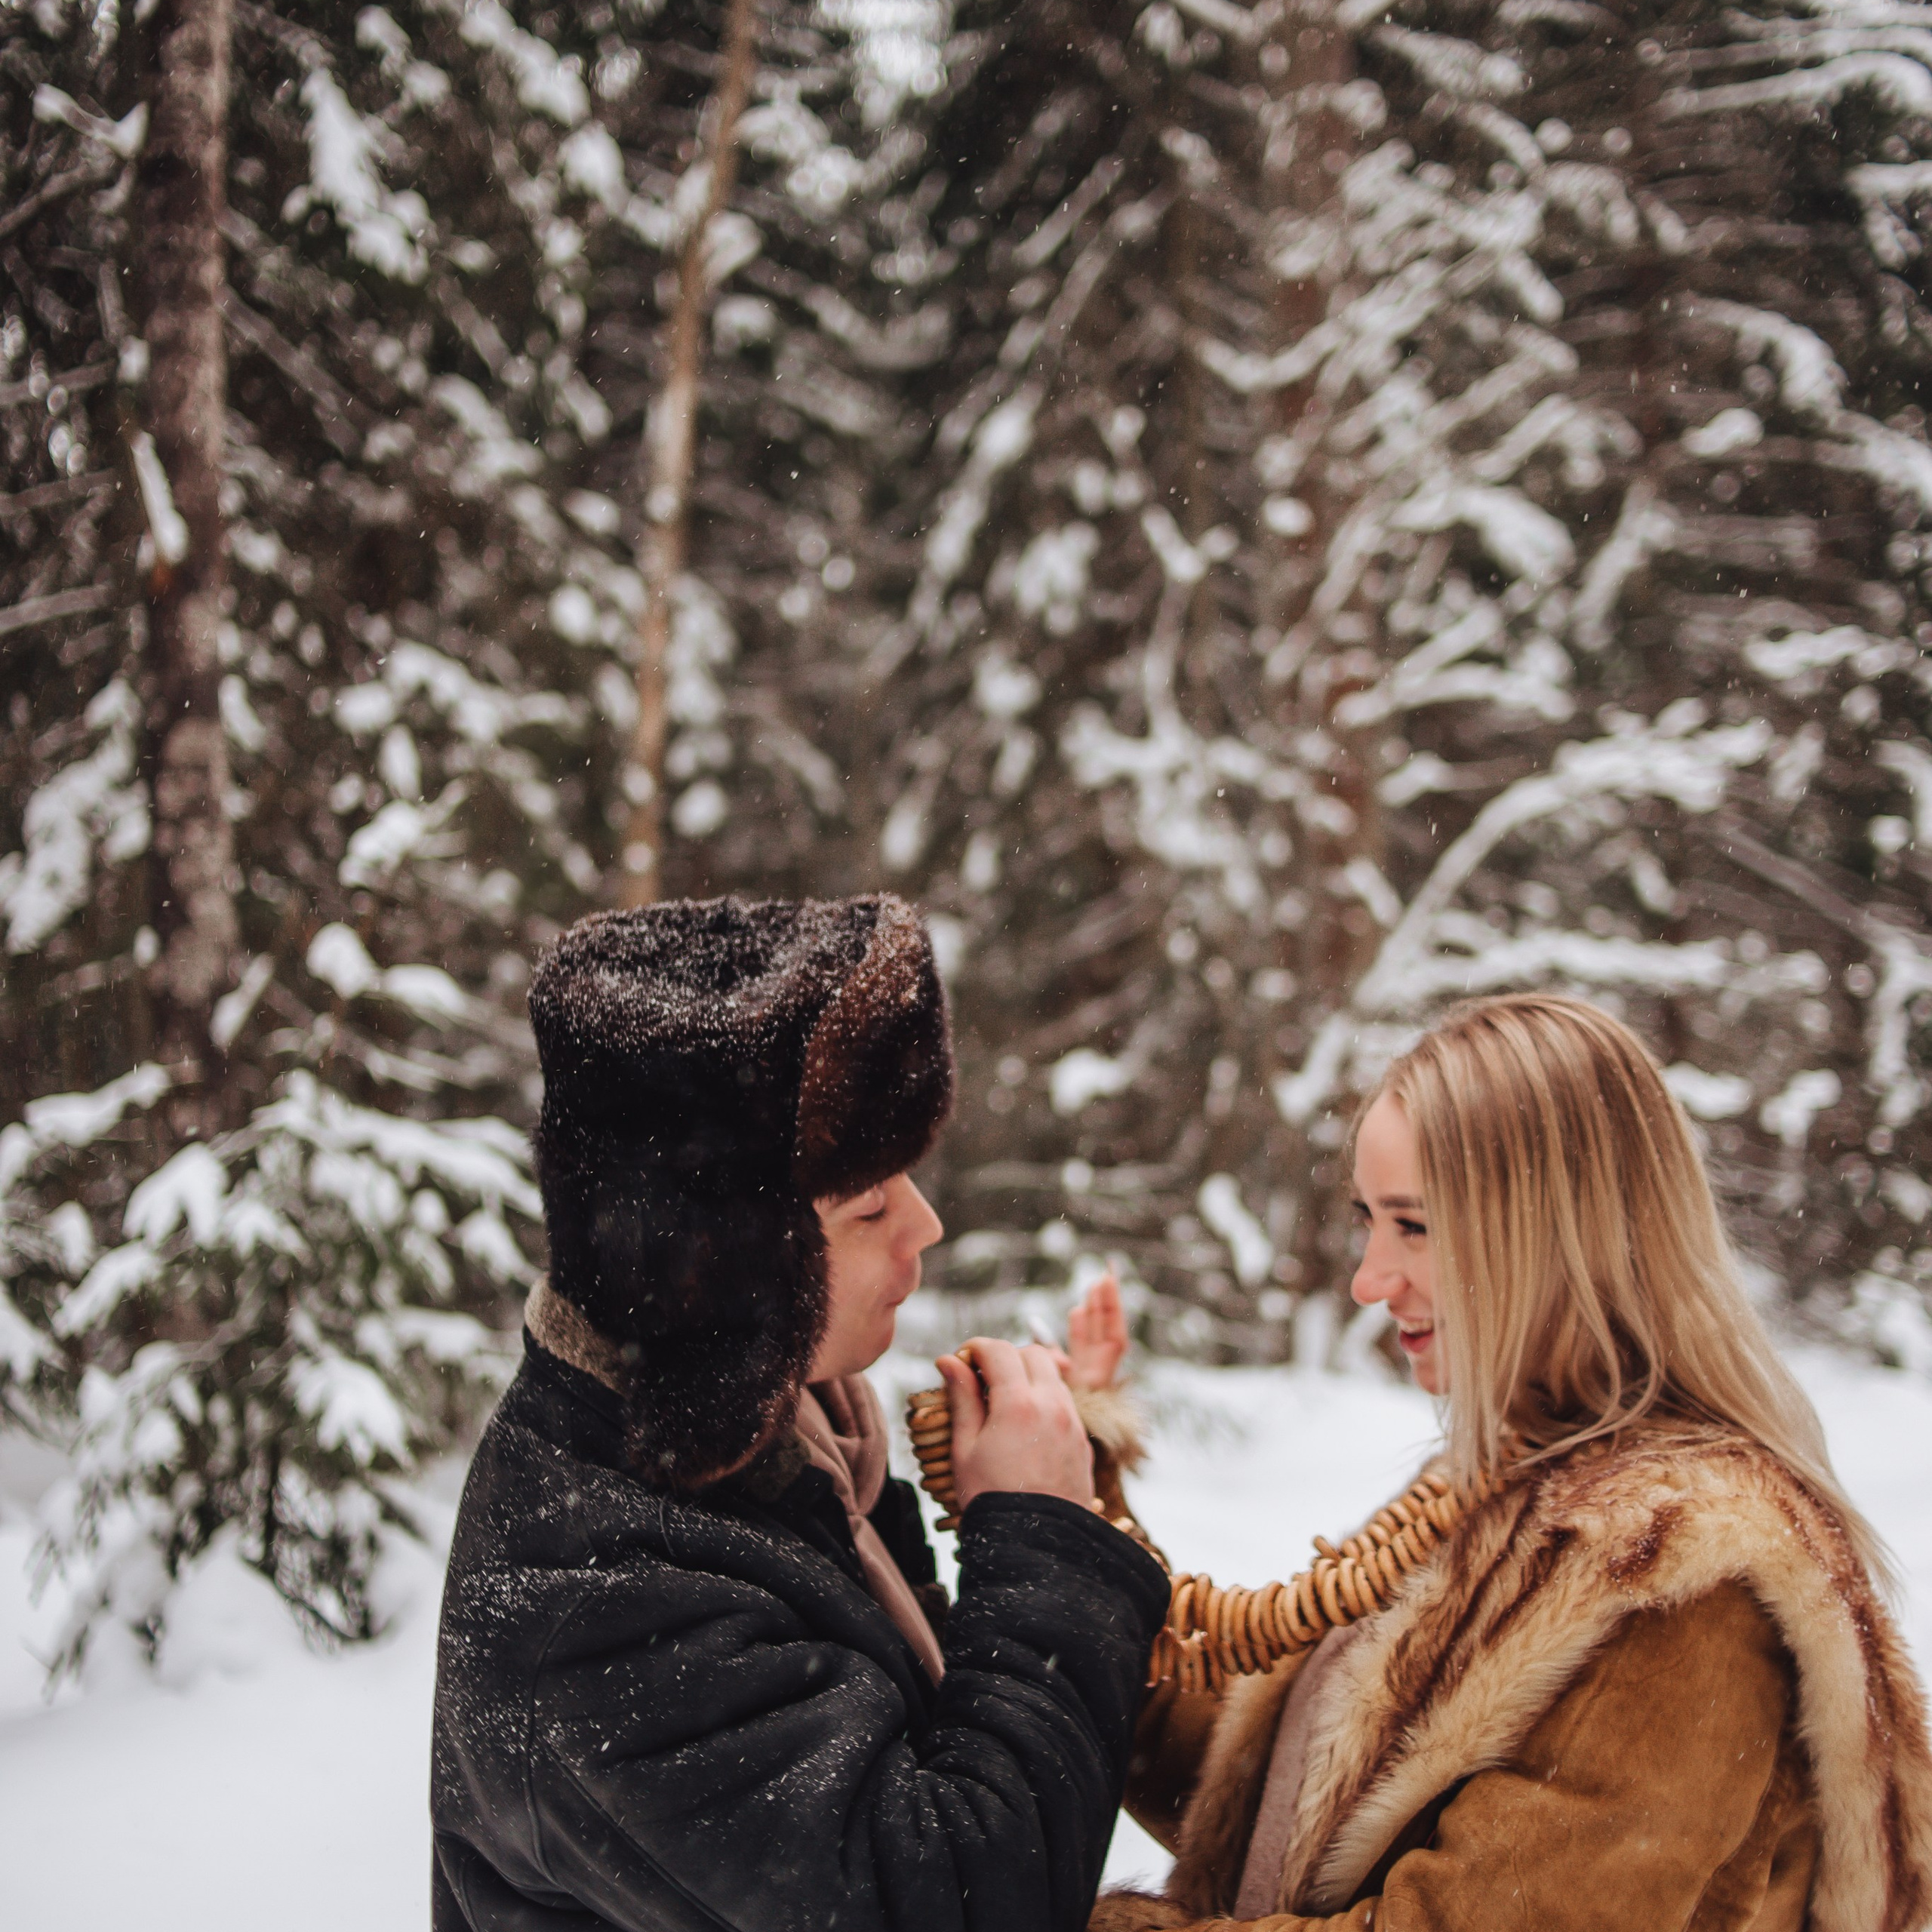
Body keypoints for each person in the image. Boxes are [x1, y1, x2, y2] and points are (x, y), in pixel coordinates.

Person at [1097, 993, 1932, 1932]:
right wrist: (1067, 1519)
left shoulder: (1683, 1582)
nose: (1369, 1280)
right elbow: (1281, 1802)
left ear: (1553, 1233)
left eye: (1414, 1226)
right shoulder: (1515, 1481)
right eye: (1368, 1220)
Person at [430, 894, 1171, 1932]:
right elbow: (963, 1901)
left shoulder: (771, 1450)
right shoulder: (600, 1610)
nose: (926, 1224)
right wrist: (1043, 1543)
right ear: (720, 1265)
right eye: (868, 1205)